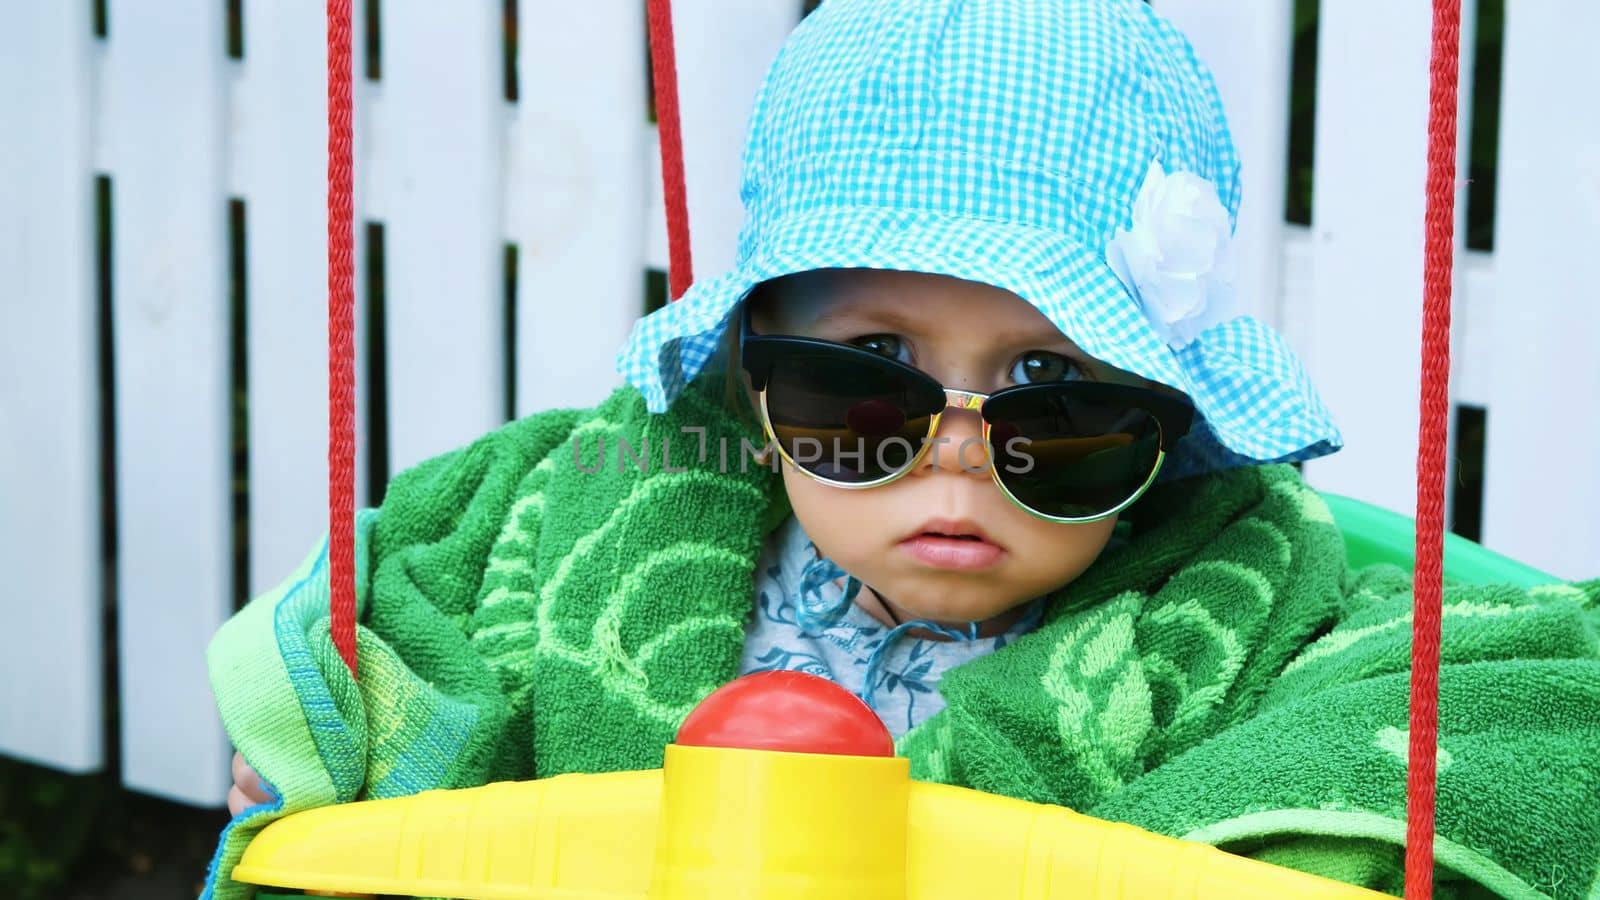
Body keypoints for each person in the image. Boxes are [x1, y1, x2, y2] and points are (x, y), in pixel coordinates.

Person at [206, 1, 1600, 897]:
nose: (958, 457)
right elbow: (404, 643)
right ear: (755, 387)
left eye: (1056, 397)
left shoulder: (1227, 621)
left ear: (1170, 433)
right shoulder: (606, 529)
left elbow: (1452, 724)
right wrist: (320, 743)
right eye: (864, 384)